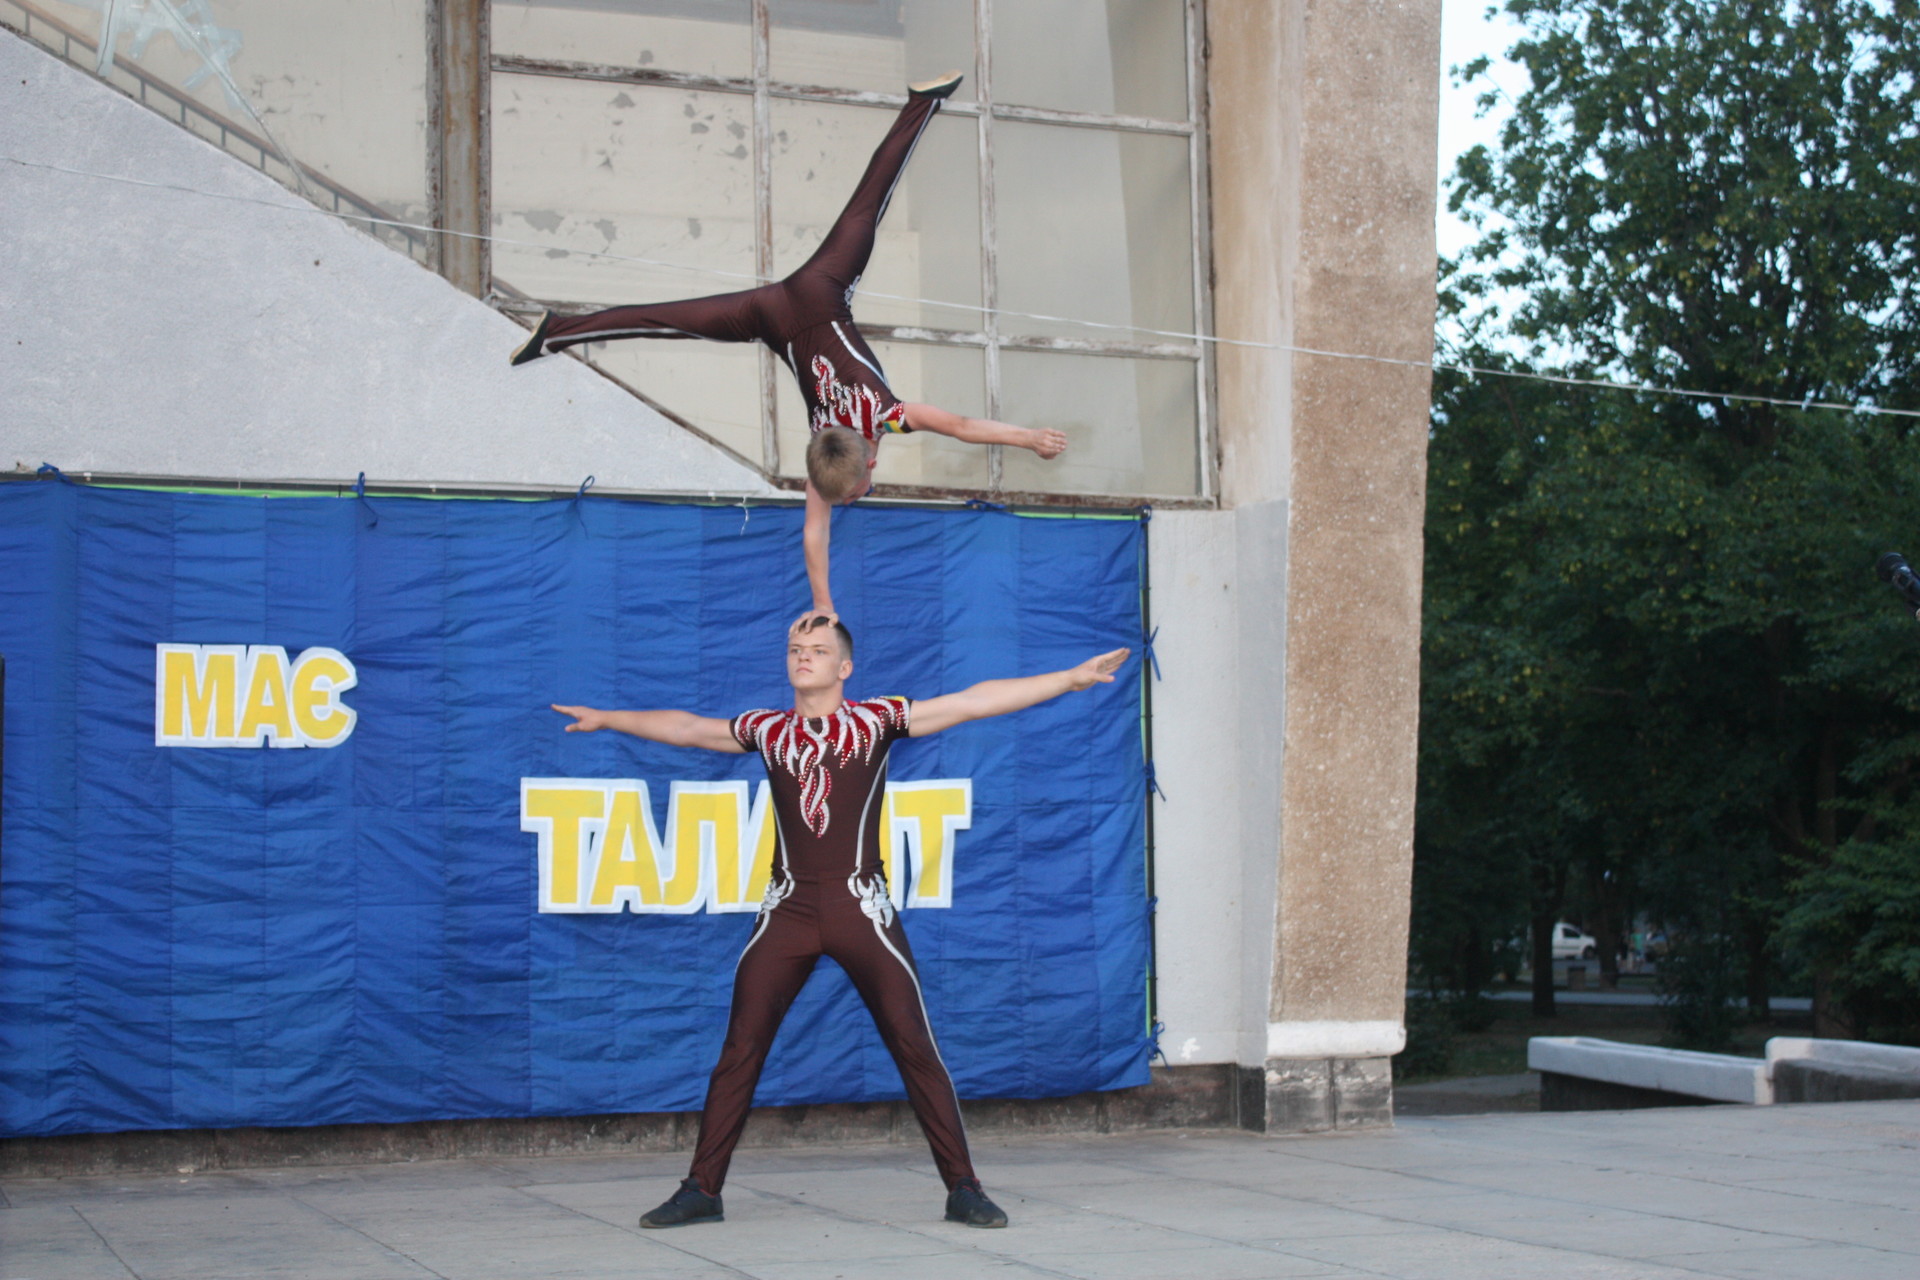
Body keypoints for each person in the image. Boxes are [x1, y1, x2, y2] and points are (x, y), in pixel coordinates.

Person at [550, 618, 1129, 1229]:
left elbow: (971, 701)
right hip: (788, 908)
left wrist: (1068, 678)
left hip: (861, 906)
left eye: (819, 651)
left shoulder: (875, 720)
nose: (804, 658)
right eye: (796, 650)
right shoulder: (768, 729)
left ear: (844, 669)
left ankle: (964, 1187)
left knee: (914, 1043)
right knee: (740, 1047)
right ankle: (702, 1189)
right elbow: (689, 728)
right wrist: (608, 718)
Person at [509, 72, 1068, 626]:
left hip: (816, 292)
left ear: (868, 461)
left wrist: (1028, 438)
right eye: (852, 496)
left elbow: (962, 426)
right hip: (774, 316)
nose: (851, 499)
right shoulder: (826, 451)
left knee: (867, 205)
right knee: (664, 320)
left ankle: (921, 105)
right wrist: (823, 604)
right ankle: (556, 330)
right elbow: (814, 531)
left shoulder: (883, 419)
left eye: (853, 495)